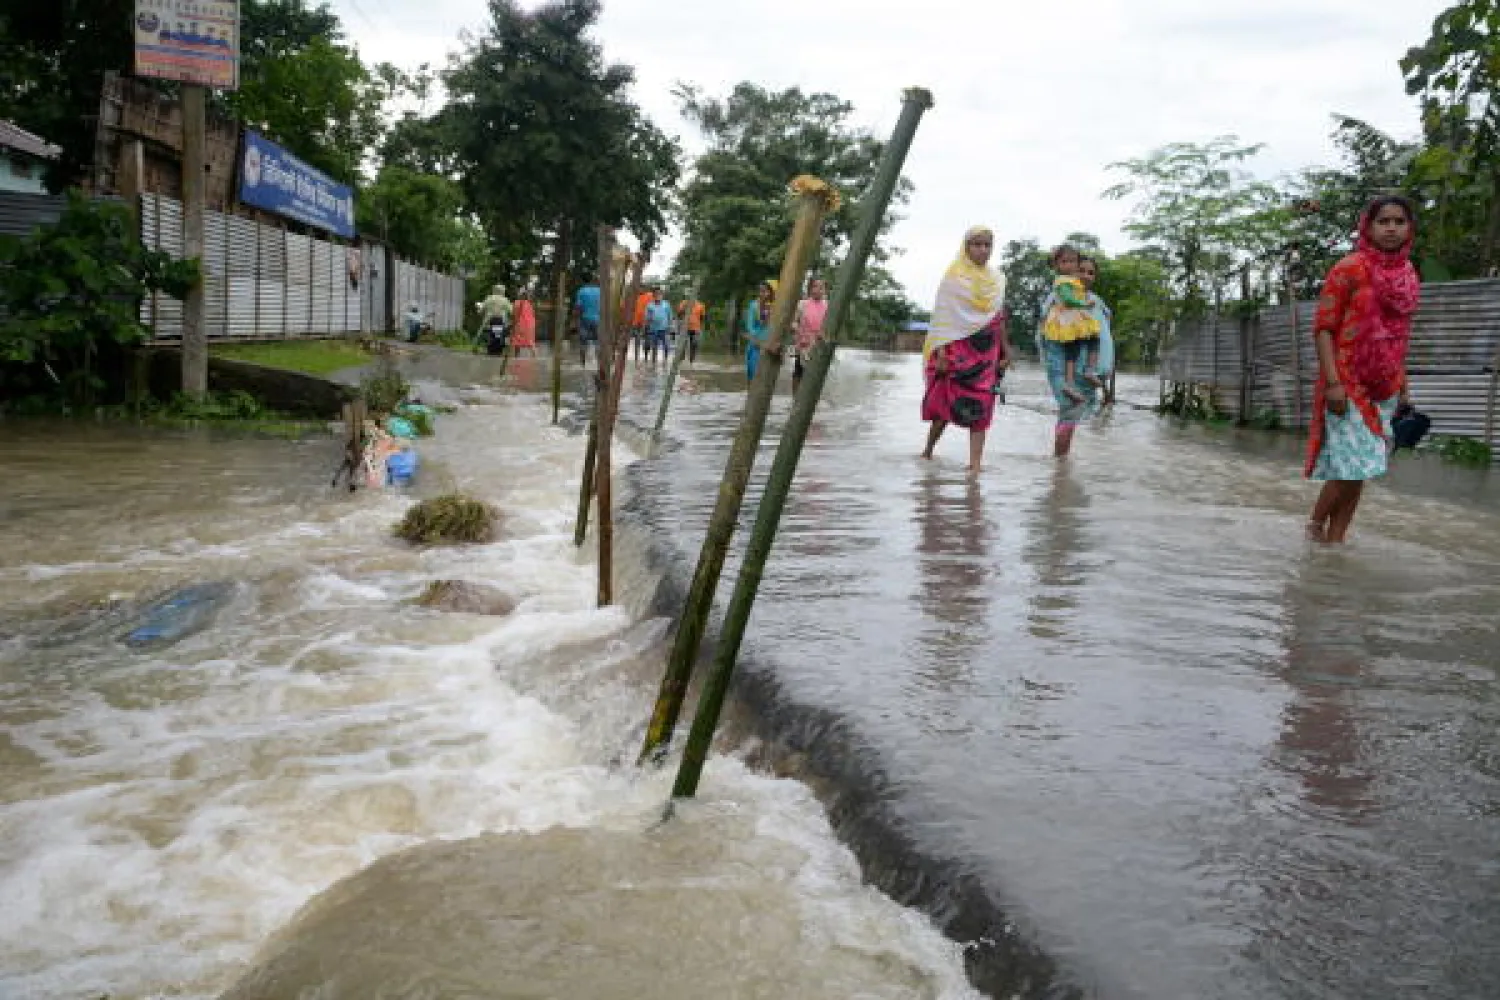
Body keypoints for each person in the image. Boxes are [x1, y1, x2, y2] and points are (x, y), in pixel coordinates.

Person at [1304, 196, 1421, 544]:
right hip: (1347, 379)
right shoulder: (1349, 268)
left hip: (1384, 385)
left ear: (1409, 228)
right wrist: (1333, 383)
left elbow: (1401, 335)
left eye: (1399, 221)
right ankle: (1316, 528)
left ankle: (1333, 539)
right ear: (1368, 227)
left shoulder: (1408, 274)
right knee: (1355, 465)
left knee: (1360, 468)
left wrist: (1403, 385)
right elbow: (1324, 327)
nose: (1391, 228)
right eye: (1383, 221)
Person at [919, 225, 1009, 475]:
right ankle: (928, 451)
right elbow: (942, 318)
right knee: (945, 405)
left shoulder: (997, 280)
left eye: (987, 245)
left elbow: (998, 319)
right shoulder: (954, 277)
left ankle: (975, 465)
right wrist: (940, 355)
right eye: (976, 244)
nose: (982, 250)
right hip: (957, 351)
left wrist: (1006, 352)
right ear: (966, 247)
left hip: (986, 354)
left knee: (982, 406)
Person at [1042, 245, 1102, 402]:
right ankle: (1070, 383)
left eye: (1072, 261)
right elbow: (1068, 299)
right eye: (1064, 262)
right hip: (1067, 321)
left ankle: (1089, 370)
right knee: (1072, 352)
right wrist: (1083, 305)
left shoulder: (1074, 281)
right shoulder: (1062, 282)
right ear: (1057, 265)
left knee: (1093, 339)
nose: (1069, 265)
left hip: (1076, 319)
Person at [1078, 256, 1115, 403]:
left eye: (1091, 273)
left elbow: (1108, 315)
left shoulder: (1096, 299)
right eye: (1081, 271)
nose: (1086, 276)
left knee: (1085, 409)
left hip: (1099, 362)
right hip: (1078, 363)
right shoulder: (1066, 296)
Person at [793, 277, 829, 393]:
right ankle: (794, 400)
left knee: (814, 375)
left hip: (819, 345)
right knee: (798, 372)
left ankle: (809, 401)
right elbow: (794, 321)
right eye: (815, 286)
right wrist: (796, 329)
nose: (818, 290)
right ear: (810, 289)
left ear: (824, 290)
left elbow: (829, 328)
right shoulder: (802, 304)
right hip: (803, 343)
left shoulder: (827, 306)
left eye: (821, 287)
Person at [743, 279, 776, 383]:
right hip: (756, 345)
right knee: (753, 375)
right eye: (760, 291)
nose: (763, 294)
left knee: (767, 379)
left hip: (771, 346)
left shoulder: (776, 307)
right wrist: (757, 340)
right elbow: (749, 326)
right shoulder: (753, 306)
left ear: (771, 292)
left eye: (765, 291)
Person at [572, 275, 601, 365]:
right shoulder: (601, 291)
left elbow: (578, 307)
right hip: (598, 321)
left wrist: (574, 320)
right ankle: (599, 365)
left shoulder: (581, 291)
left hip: (584, 320)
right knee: (598, 342)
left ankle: (582, 364)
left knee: (583, 342)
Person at [644, 287, 674, 365]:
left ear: (662, 295)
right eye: (656, 294)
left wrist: (670, 326)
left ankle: (665, 361)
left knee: (666, 345)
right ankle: (653, 363)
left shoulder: (666, 304)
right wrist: (647, 325)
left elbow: (670, 316)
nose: (658, 295)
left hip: (664, 328)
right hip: (653, 329)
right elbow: (647, 317)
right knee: (654, 347)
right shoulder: (650, 305)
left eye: (659, 294)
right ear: (653, 295)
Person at [678, 295, 707, 364]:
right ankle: (681, 360)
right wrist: (683, 308)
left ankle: (692, 361)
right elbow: (679, 315)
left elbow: (702, 318)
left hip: (696, 328)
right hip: (684, 327)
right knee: (683, 344)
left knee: (694, 343)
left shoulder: (700, 305)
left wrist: (700, 328)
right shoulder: (683, 303)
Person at [511, 287, 538, 357]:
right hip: (530, 325)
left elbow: (514, 315)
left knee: (517, 342)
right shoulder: (529, 304)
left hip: (521, 325)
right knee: (530, 342)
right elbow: (532, 314)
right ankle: (535, 357)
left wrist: (513, 324)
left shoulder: (517, 303)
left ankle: (516, 357)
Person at [630, 287, 652, 361]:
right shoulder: (634, 296)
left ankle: (646, 356)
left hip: (647, 322)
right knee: (637, 339)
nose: (640, 290)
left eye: (641, 288)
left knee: (647, 340)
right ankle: (636, 357)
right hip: (636, 322)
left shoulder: (649, 296)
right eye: (639, 289)